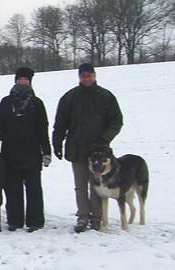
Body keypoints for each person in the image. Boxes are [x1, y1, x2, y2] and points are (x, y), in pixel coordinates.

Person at [52, 63, 123, 233]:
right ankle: (83, 216)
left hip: (99, 151)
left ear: (95, 75)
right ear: (79, 77)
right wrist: (57, 142)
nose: (87, 78)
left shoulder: (106, 96)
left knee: (96, 185)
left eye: (89, 75)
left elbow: (116, 121)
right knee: (80, 185)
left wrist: (104, 139)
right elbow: (60, 123)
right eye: (83, 76)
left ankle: (97, 218)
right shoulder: (70, 97)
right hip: (77, 148)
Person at [0, 67, 51, 233]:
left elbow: (43, 129)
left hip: (32, 152)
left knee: (33, 188)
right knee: (12, 188)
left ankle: (35, 221)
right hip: (10, 152)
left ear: (30, 81)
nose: (22, 82)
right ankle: (14, 220)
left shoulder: (37, 103)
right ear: (15, 81)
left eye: (26, 79)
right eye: (20, 79)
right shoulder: (6, 102)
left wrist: (46, 151)